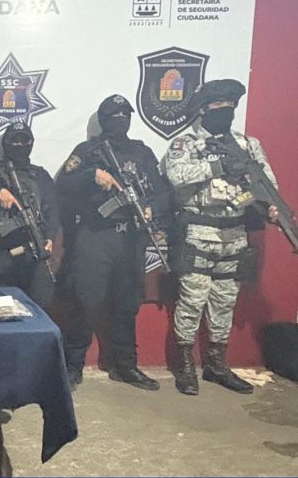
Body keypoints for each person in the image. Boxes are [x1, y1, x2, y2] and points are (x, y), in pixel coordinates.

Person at [162, 79, 279, 395]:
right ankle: (185, 366)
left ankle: (216, 364)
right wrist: (219, 165)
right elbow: (176, 176)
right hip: (199, 232)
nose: (225, 111)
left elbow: (266, 184)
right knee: (192, 300)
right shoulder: (186, 144)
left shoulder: (247, 145)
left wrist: (266, 205)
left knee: (225, 301)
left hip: (234, 233)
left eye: (230, 106)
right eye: (218, 106)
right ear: (203, 110)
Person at [57, 94, 171, 391]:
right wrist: (91, 175)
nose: (120, 120)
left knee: (127, 303)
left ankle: (125, 366)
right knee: (85, 302)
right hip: (95, 236)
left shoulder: (141, 152)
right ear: (103, 119)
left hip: (130, 237)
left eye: (125, 115)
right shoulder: (87, 151)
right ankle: (72, 366)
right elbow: (63, 184)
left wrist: (151, 209)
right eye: (114, 115)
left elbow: (163, 192)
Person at [0, 121, 59, 308]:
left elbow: (53, 209)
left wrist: (49, 237)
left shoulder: (40, 175)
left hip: (33, 253)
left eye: (24, 141)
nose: (19, 145)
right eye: (14, 141)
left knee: (37, 307)